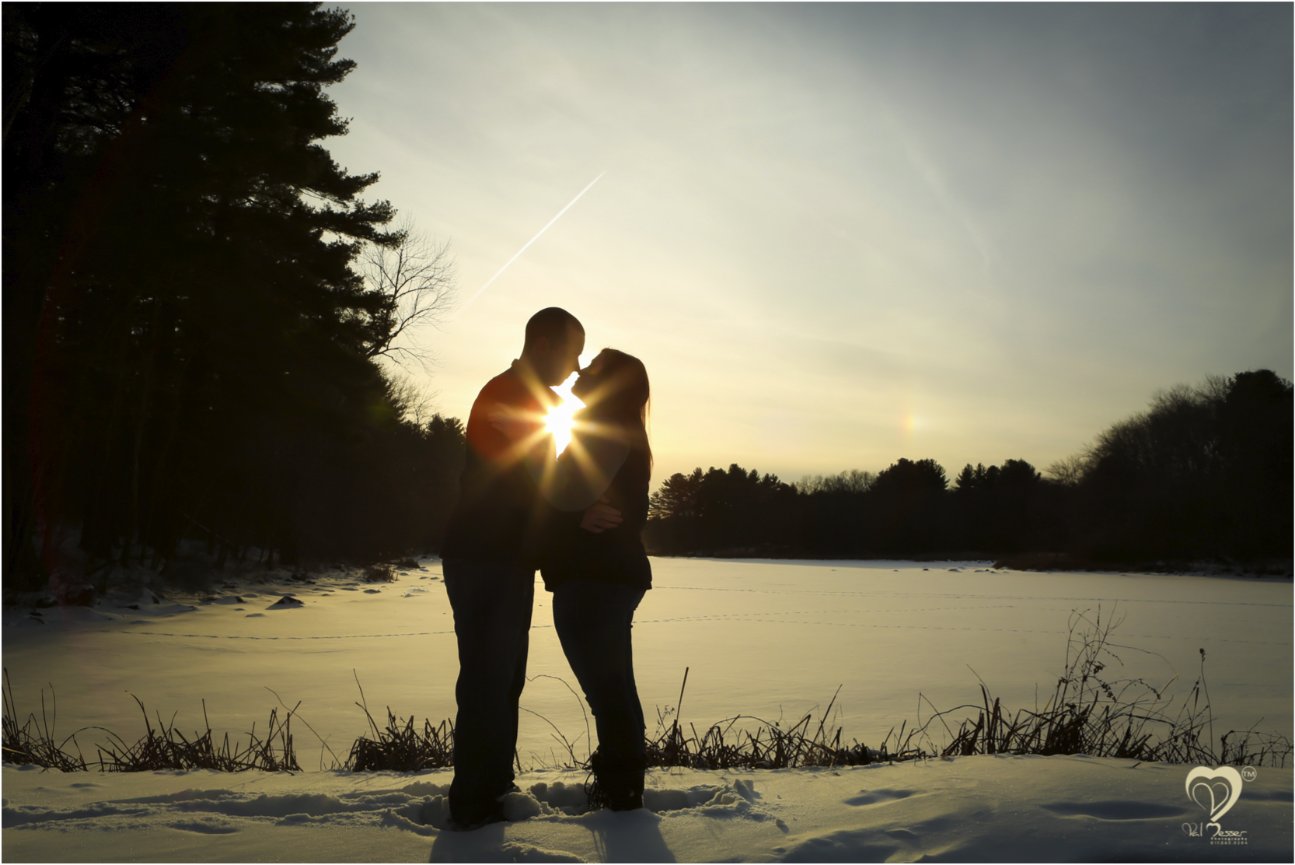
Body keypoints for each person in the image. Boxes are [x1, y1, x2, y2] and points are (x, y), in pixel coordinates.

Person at [440, 308, 620, 829]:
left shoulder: (526, 398)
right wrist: (577, 517)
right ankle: (476, 804)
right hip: (487, 556)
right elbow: (519, 489)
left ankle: (489, 789)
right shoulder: (510, 395)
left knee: (499, 677)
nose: (576, 365)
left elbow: (536, 489)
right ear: (543, 345)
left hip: (501, 556)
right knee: (489, 677)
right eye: (572, 352)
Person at [536, 348, 653, 811]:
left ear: (614, 383)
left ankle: (621, 794)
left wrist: (569, 517)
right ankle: (623, 787)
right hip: (607, 575)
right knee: (613, 689)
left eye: (596, 363)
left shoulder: (603, 429)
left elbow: (558, 494)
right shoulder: (619, 428)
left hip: (596, 578)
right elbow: (579, 501)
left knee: (609, 692)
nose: (582, 368)